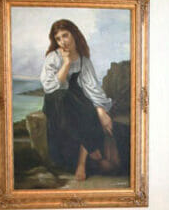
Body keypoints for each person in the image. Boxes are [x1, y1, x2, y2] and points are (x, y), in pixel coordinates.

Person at [40, 19, 120, 181]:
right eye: (58, 39)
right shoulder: (53, 57)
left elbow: (92, 89)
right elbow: (52, 87)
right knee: (67, 98)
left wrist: (99, 109)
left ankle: (81, 164)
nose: (63, 41)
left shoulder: (84, 61)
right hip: (56, 101)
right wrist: (67, 62)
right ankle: (91, 148)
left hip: (76, 103)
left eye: (65, 36)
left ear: (74, 34)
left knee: (88, 108)